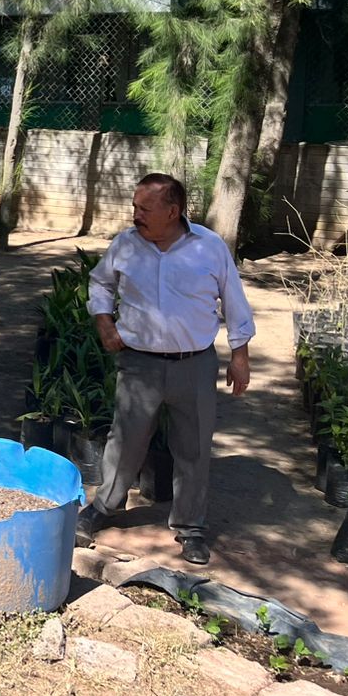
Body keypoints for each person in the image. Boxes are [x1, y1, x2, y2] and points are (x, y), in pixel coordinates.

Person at [75, 172, 255, 566]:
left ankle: (191, 527)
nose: (135, 214)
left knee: (193, 448)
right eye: (135, 206)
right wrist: (104, 322)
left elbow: (234, 300)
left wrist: (240, 355)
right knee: (125, 440)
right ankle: (103, 507)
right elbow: (100, 284)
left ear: (172, 211)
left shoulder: (209, 247)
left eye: (145, 208)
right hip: (139, 363)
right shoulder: (125, 245)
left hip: (194, 364)